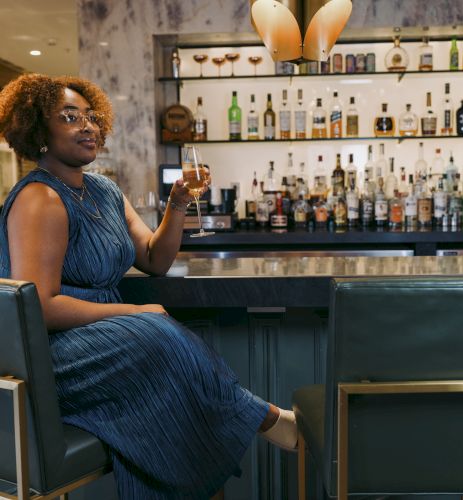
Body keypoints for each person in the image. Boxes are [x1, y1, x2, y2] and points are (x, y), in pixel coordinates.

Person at [0, 73, 297, 499]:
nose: (88, 126)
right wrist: (135, 312)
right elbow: (41, 307)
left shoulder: (103, 190)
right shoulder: (40, 199)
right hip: (57, 353)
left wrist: (177, 204)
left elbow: (156, 259)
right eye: (69, 117)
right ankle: (265, 417)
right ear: (38, 132)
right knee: (156, 335)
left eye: (91, 116)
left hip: (105, 338)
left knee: (161, 361)